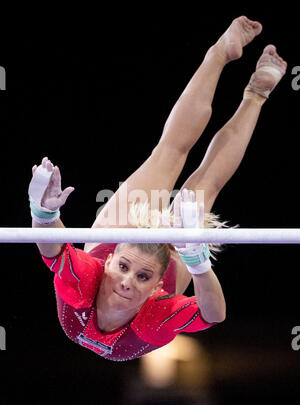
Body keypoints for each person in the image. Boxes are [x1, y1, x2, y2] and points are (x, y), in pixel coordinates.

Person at [29, 16, 287, 361]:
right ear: (158, 288)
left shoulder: (81, 285)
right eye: (132, 272)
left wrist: (44, 212)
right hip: (164, 267)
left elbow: (53, 251)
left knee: (169, 153)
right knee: (205, 185)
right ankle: (257, 94)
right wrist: (196, 263)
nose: (127, 282)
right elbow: (214, 315)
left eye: (134, 274)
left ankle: (219, 53)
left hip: (117, 237)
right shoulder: (157, 318)